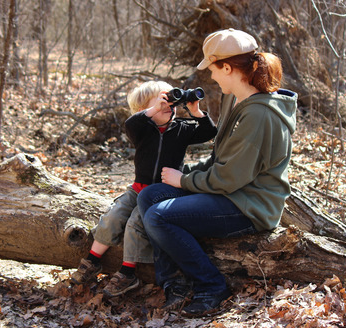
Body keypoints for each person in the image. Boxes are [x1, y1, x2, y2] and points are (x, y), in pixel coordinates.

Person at [137, 28, 298, 317]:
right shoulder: (234, 98)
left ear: (227, 67)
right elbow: (221, 158)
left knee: (158, 216)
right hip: (230, 191)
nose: (211, 77)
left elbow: (228, 177)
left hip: (249, 204)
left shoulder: (259, 115)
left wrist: (185, 180)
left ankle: (211, 286)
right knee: (150, 196)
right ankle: (173, 282)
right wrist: (184, 176)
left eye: (213, 70)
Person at [70, 80, 217, 298]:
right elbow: (130, 124)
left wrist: (195, 111)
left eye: (172, 101)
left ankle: (128, 273)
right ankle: (92, 261)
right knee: (114, 215)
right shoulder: (142, 130)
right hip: (138, 188)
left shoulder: (181, 129)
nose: (170, 106)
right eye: (164, 101)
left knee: (134, 224)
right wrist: (155, 108)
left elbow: (208, 133)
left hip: (162, 192)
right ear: (145, 110)